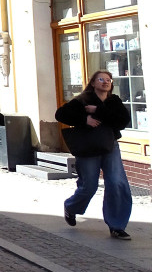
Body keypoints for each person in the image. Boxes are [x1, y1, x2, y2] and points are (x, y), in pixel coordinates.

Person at [55, 70, 132, 239]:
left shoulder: (113, 101)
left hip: (109, 145)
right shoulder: (82, 100)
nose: (105, 82)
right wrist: (85, 119)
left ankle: (117, 225)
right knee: (89, 186)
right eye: (101, 79)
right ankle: (71, 207)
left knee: (117, 182)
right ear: (93, 83)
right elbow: (60, 114)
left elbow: (123, 121)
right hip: (88, 147)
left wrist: (98, 111)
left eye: (108, 80)